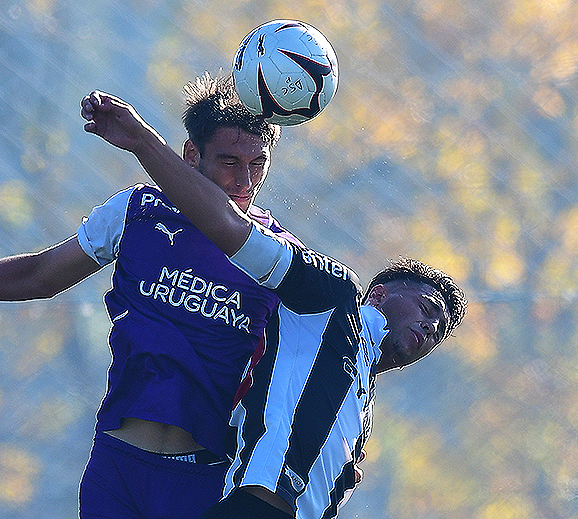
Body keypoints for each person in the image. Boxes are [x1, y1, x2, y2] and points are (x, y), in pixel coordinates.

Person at [0, 73, 303, 519]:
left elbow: (334, 352)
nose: (244, 179)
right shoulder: (137, 210)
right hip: (117, 465)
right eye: (229, 161)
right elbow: (40, 275)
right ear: (190, 156)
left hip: (205, 480)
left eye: (257, 164)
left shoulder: (280, 258)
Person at [81, 90, 468, 519]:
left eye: (441, 329)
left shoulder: (358, 397)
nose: (432, 327)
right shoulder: (328, 297)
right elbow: (225, 224)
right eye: (429, 307)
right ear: (378, 294)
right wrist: (142, 140)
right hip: (182, 480)